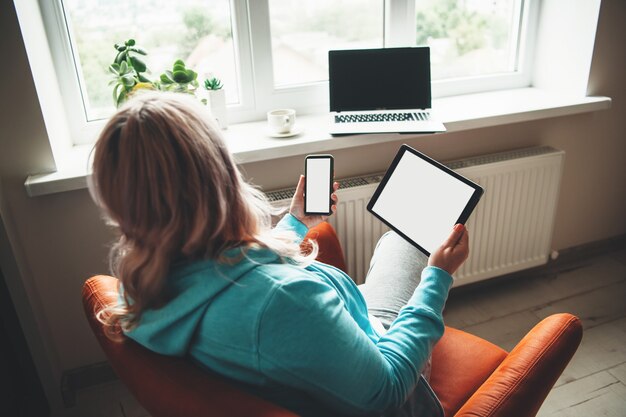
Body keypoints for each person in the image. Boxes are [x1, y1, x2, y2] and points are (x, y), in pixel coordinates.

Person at [90, 91, 469, 417]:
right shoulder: (285, 301)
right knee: (405, 241)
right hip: (392, 384)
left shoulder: (144, 285)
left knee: (397, 242)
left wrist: (295, 223)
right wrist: (438, 279)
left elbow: (229, 274)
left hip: (327, 349)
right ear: (218, 175)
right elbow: (387, 390)